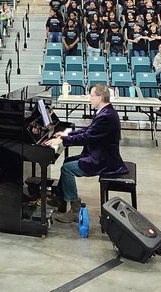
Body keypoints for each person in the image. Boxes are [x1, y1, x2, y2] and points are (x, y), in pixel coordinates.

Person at [43, 84, 127, 224]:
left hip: (104, 160)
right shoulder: (105, 111)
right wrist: (67, 134)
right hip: (99, 154)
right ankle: (61, 198)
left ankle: (75, 211)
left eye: (91, 96)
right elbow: (89, 130)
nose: (89, 98)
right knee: (67, 161)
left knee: (67, 169)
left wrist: (62, 140)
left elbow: (87, 137)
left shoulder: (106, 116)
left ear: (100, 97)